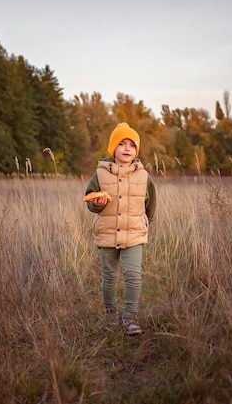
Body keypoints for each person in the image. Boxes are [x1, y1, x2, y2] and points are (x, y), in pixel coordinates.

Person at [84, 122, 157, 335]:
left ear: (136, 150)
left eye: (132, 145)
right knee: (110, 277)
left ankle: (130, 316)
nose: (127, 149)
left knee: (134, 275)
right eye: (121, 144)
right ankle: (111, 313)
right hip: (107, 231)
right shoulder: (100, 174)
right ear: (113, 148)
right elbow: (90, 201)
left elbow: (151, 202)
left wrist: (146, 223)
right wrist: (96, 204)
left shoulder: (143, 176)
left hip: (134, 232)